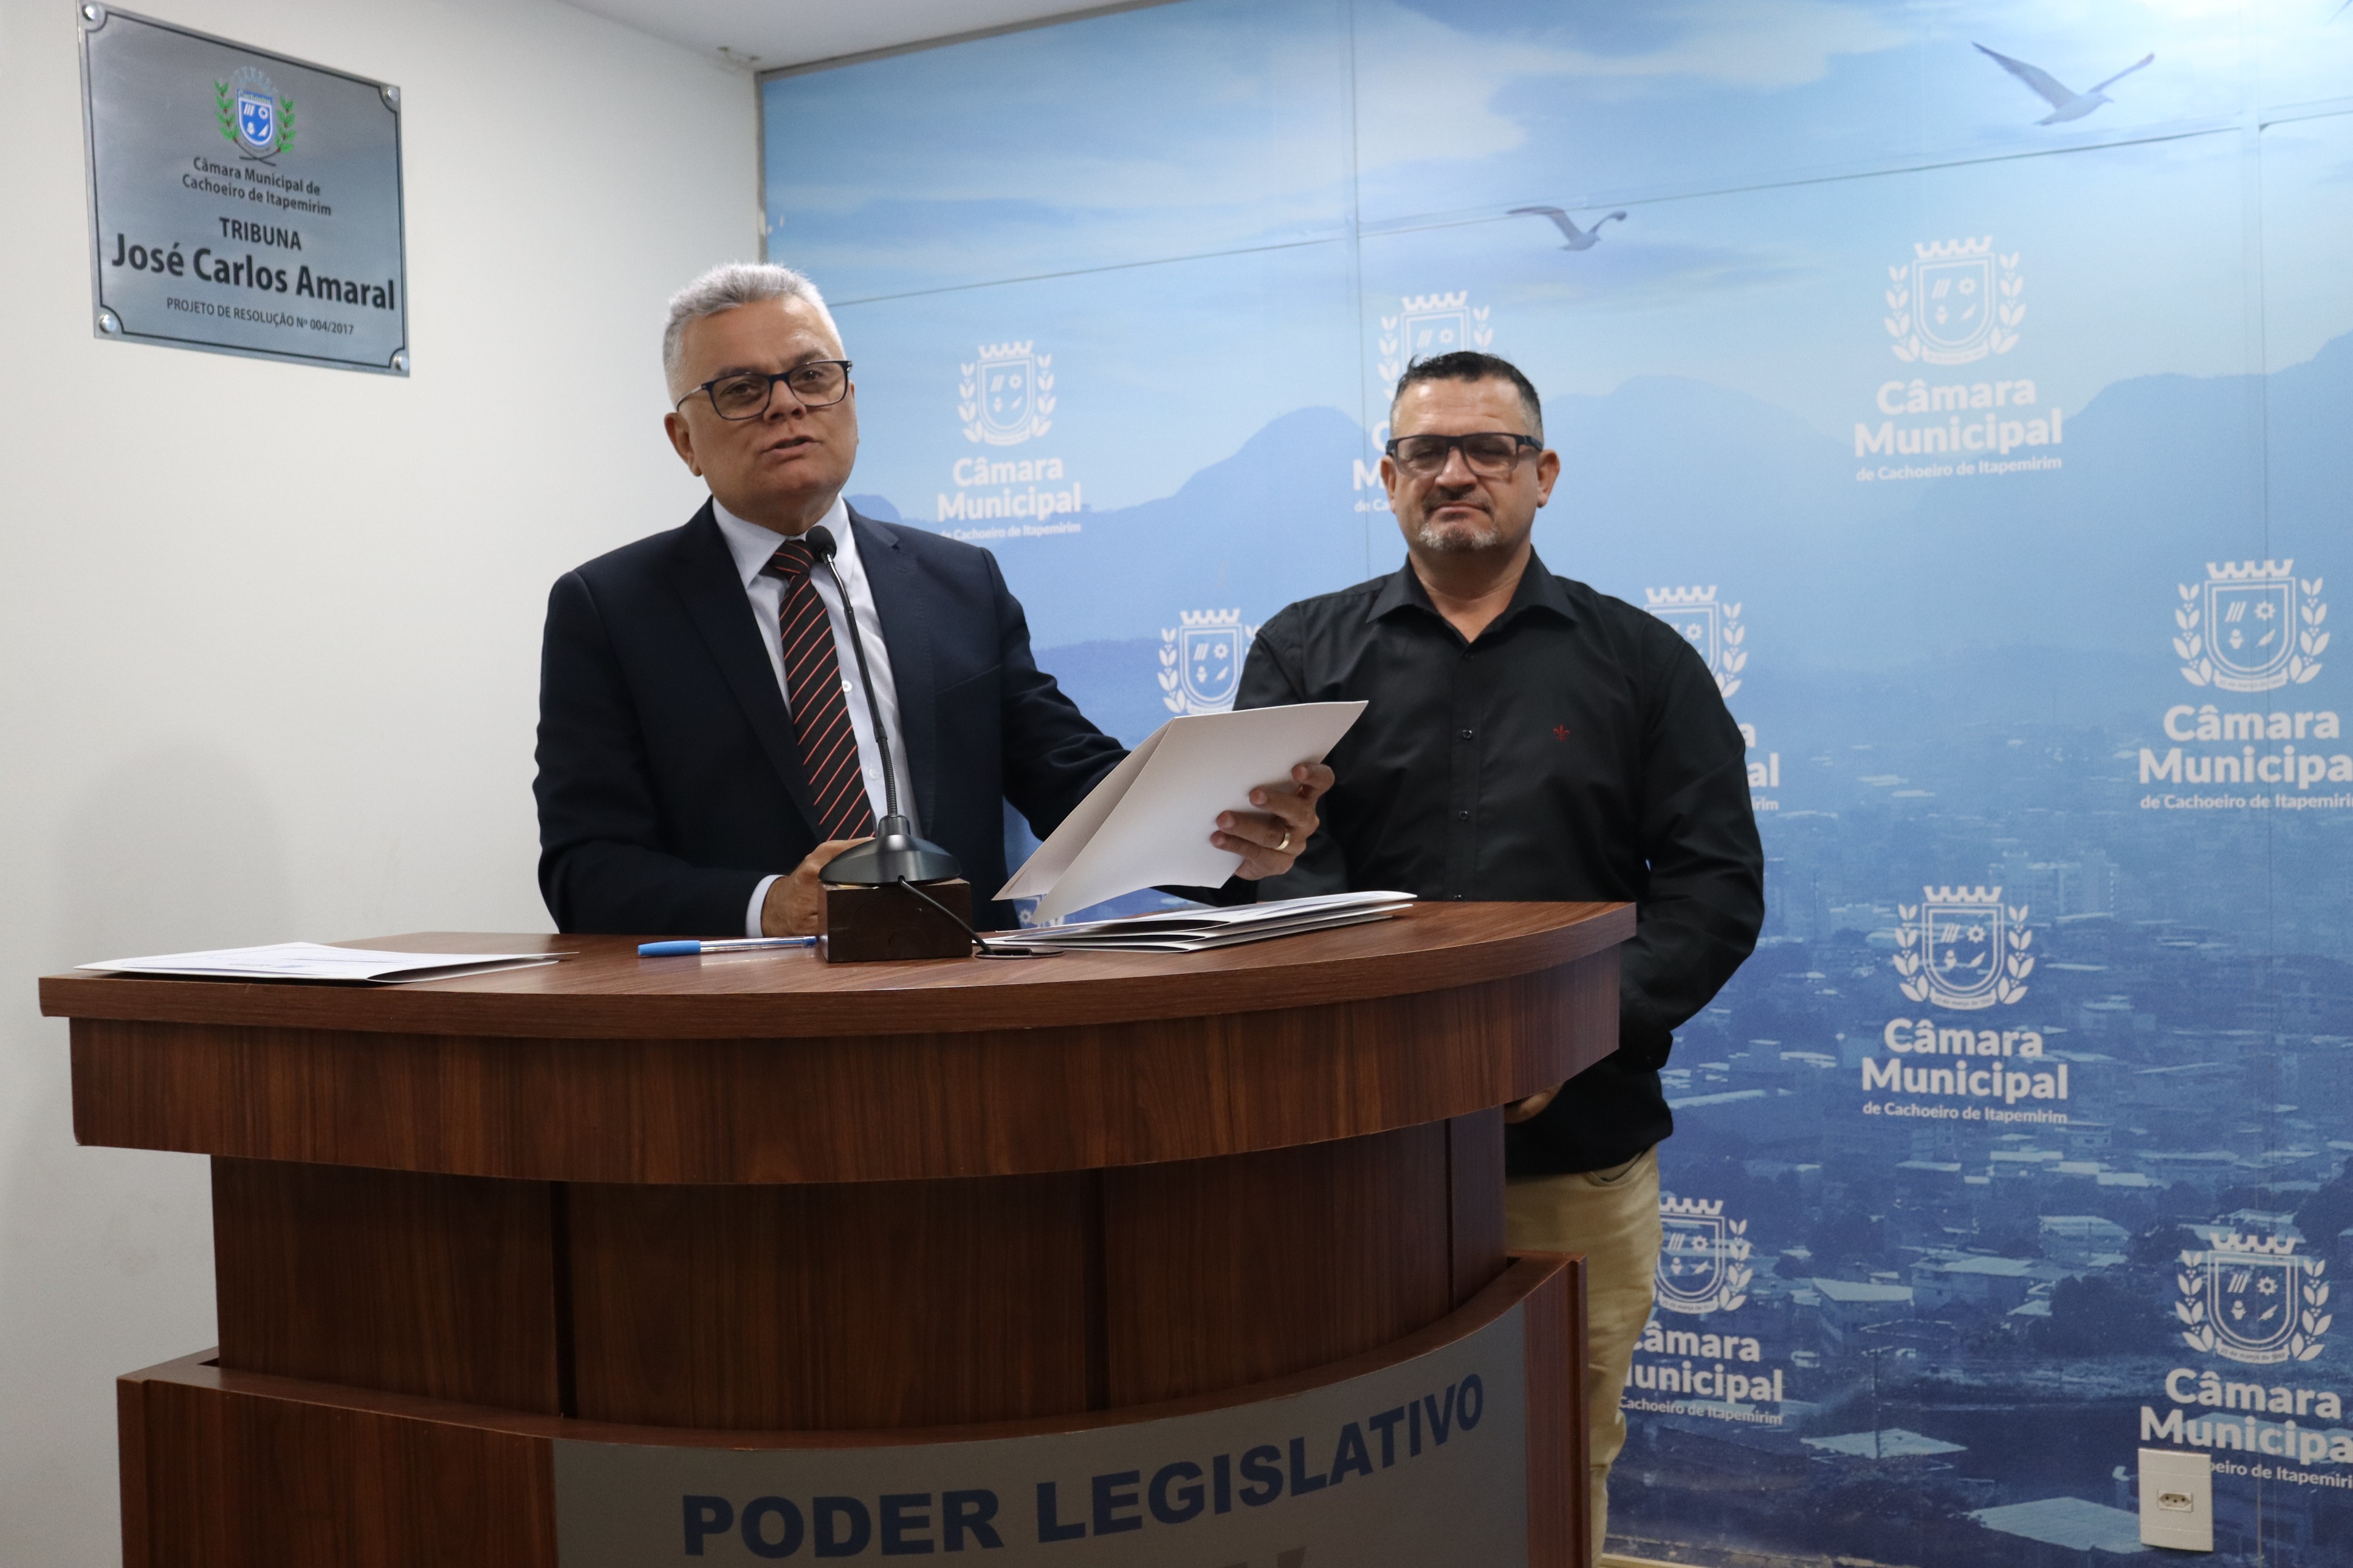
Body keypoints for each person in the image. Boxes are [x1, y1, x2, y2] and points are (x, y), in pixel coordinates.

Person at [1234, 350, 1764, 1554]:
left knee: (1557, 1455)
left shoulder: (1644, 663)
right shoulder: (1301, 654)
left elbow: (1713, 891)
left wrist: (1565, 1036)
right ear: (1388, 478)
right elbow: (1274, 869)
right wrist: (1400, 1040)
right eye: (1426, 451)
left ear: (1543, 473)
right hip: (1355, 1153)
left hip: (1575, 1155)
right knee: (1348, 1468)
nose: (1456, 472)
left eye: (1489, 448)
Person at [534, 262, 1327, 935]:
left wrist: (1225, 837)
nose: (786, 405)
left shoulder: (959, 581)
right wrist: (770, 904)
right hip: (751, 1024)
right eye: (742, 389)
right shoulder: (611, 611)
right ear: (684, 440)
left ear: (849, 396)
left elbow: (1068, 779)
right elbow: (586, 868)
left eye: (812, 376)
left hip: (963, 1009)